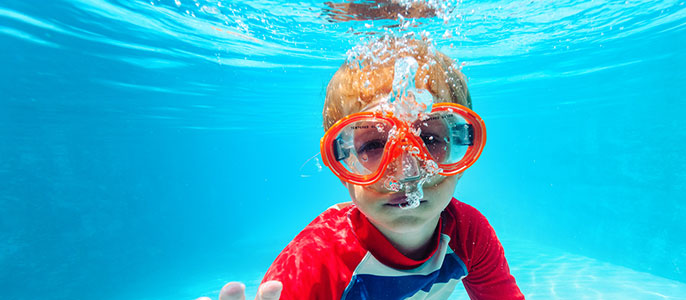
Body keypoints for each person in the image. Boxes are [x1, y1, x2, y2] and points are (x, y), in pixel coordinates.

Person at [198, 37, 524, 300]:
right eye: (372, 145)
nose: (407, 171)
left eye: (429, 138)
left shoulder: (469, 235)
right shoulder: (316, 261)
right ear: (340, 167)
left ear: (460, 154)